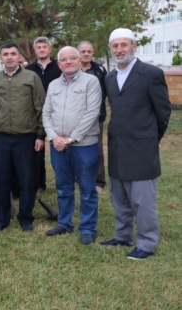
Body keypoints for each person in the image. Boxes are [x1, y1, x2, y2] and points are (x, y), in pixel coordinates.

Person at [101, 28, 171, 260]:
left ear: (134, 46)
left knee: (142, 200)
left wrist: (150, 139)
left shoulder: (150, 73)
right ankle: (123, 236)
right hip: (117, 148)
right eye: (115, 46)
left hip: (142, 148)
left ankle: (147, 243)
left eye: (124, 45)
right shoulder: (110, 77)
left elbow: (163, 113)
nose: (119, 50)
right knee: (119, 196)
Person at [42, 46, 102, 244]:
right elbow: (46, 113)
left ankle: (87, 228)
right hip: (58, 146)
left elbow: (92, 113)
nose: (68, 61)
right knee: (63, 187)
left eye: (72, 58)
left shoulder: (91, 82)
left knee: (87, 189)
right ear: (58, 64)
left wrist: (71, 138)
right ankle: (65, 223)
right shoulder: (53, 85)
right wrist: (53, 137)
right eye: (64, 59)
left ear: (79, 61)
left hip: (84, 146)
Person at [0, 43, 46, 233]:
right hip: (1, 138)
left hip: (26, 138)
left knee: (27, 180)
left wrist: (40, 135)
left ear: (20, 57)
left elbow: (42, 108)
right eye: (5, 54)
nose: (9, 57)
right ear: (1, 58)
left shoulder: (31, 77)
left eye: (13, 54)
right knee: (1, 180)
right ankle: (1, 219)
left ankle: (26, 218)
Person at [25, 36, 60, 193]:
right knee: (36, 150)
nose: (41, 49)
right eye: (38, 47)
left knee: (59, 149)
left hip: (57, 113)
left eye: (44, 46)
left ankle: (64, 181)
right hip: (35, 114)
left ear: (50, 49)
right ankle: (39, 184)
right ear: (35, 50)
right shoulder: (28, 70)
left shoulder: (59, 68)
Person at [77, 41, 108, 193]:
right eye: (83, 51)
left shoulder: (100, 70)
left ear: (92, 53)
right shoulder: (72, 70)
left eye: (89, 51)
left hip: (96, 117)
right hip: (75, 117)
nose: (86, 54)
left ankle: (99, 181)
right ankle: (79, 179)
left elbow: (106, 92)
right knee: (77, 148)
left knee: (97, 149)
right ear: (78, 53)